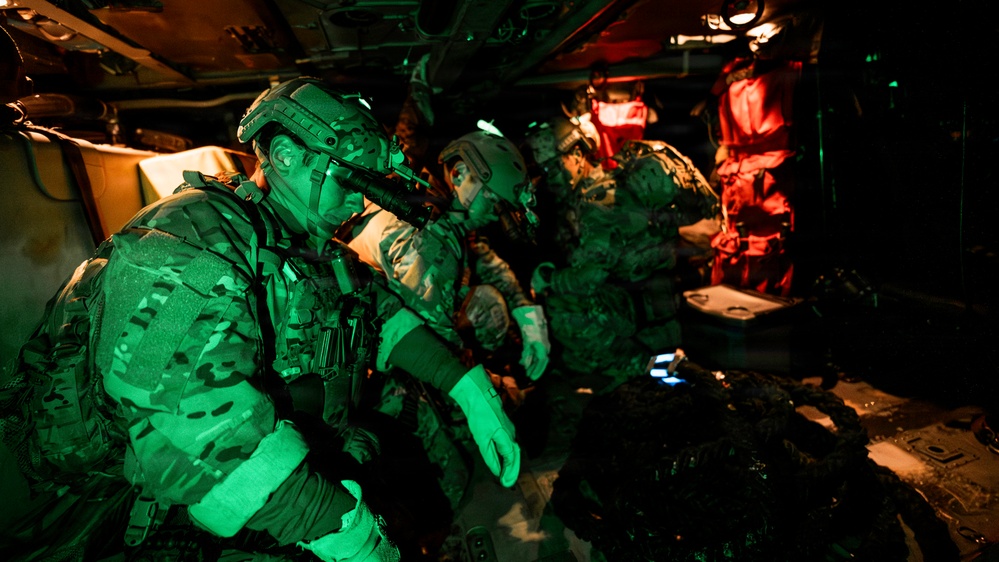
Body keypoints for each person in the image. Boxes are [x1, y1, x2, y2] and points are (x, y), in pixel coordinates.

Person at [0, 77, 520, 562]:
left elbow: (379, 313)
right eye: (347, 181)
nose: (358, 201)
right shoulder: (189, 240)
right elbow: (191, 433)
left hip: (255, 460)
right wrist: (342, 528)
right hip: (142, 494)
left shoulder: (306, 245)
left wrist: (468, 385)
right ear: (287, 156)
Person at [347, 130, 550, 383]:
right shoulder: (430, 238)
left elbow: (488, 263)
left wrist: (528, 316)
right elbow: (432, 352)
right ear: (460, 174)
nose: (497, 216)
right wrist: (497, 388)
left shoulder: (441, 210)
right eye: (493, 202)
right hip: (374, 351)